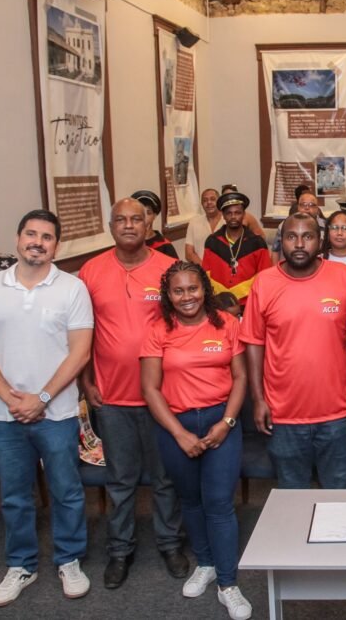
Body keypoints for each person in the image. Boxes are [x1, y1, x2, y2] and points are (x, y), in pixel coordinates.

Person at [0, 209, 93, 607]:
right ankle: (21, 565)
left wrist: (41, 398)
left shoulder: (72, 288)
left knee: (67, 491)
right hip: (5, 415)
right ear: (18, 238)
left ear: (56, 245)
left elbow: (80, 352)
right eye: (31, 234)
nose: (37, 242)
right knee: (14, 496)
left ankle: (69, 559)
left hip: (57, 413)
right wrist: (10, 397)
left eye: (46, 237)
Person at [79, 198, 188, 590]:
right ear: (111, 226)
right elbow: (82, 333)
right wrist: (86, 381)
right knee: (120, 481)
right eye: (121, 219)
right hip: (111, 398)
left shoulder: (167, 269)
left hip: (162, 396)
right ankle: (120, 550)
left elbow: (186, 327)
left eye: (136, 219)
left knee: (165, 479)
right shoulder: (90, 272)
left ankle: (170, 543)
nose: (128, 225)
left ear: (148, 224)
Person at [140, 261, 252, 620]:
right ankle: (205, 564)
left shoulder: (228, 324)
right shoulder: (158, 329)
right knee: (190, 499)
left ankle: (228, 583)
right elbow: (150, 388)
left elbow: (240, 377)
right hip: (176, 424)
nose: (187, 296)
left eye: (193, 288)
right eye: (178, 291)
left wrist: (227, 423)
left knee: (218, 503)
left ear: (204, 289)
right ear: (168, 295)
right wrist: (179, 433)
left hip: (221, 421)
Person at [241, 213, 346, 489]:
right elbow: (254, 344)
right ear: (281, 241)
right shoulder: (264, 282)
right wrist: (258, 399)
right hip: (283, 415)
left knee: (338, 495)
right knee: (292, 498)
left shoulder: (343, 277)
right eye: (291, 237)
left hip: (338, 414)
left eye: (307, 237)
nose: (298, 244)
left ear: (320, 241)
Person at [202, 190, 272, 308]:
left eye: (237, 213)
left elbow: (265, 276)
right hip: (219, 303)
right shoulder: (212, 242)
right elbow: (205, 275)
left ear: (244, 214)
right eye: (229, 213)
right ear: (223, 215)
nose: (233, 217)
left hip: (249, 302)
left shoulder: (257, 243)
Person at [132, 190, 179, 259]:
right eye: (139, 212)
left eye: (148, 212)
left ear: (154, 216)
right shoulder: (128, 244)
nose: (143, 217)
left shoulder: (165, 247)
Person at [185, 188, 223, 264]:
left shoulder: (227, 222)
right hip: (201, 268)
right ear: (202, 204)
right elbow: (189, 253)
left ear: (219, 202)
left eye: (213, 199)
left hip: (226, 269)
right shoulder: (194, 223)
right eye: (205, 200)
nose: (209, 202)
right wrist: (204, 268)